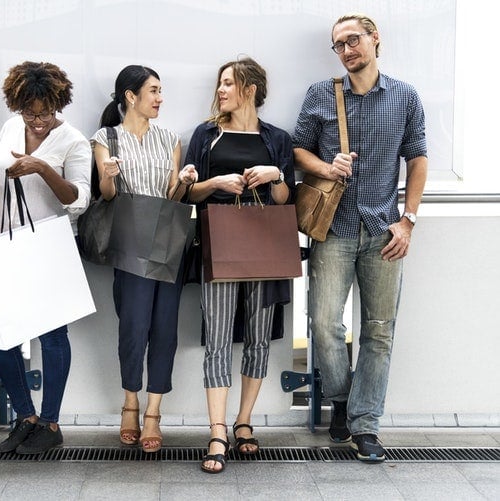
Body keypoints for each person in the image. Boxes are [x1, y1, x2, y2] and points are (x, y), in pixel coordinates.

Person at [292, 13, 428, 463]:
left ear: (375, 40)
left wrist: (408, 219)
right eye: (339, 44)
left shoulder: (405, 96)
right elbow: (298, 150)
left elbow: (417, 158)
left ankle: (365, 425)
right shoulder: (321, 94)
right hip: (333, 228)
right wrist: (327, 167)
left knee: (379, 331)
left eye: (354, 40)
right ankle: (343, 399)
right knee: (325, 324)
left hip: (384, 229)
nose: (347, 50)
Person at [0, 61, 92, 455]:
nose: (37, 121)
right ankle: (26, 417)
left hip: (50, 249)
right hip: (9, 245)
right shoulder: (11, 127)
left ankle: (51, 422)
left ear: (58, 104)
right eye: (29, 113)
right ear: (17, 106)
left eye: (44, 113)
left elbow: (79, 199)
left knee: (52, 336)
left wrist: (41, 167)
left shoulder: (73, 140)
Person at [184, 57, 296, 474]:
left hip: (266, 245)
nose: (221, 91)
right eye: (220, 84)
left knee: (260, 337)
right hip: (219, 243)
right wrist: (215, 183)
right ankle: (217, 430)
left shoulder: (277, 139)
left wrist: (275, 176)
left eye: (229, 83)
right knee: (216, 338)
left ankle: (244, 421)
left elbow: (286, 201)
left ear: (250, 89)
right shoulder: (206, 135)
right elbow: (188, 193)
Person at [92, 65, 197, 454]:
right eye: (153, 90)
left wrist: (184, 179)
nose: (159, 98)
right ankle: (130, 403)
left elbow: (173, 197)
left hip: (167, 240)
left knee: (165, 328)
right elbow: (106, 196)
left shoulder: (169, 137)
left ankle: (154, 411)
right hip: (129, 240)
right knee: (133, 326)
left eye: (160, 90)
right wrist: (107, 174)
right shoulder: (106, 138)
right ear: (130, 96)